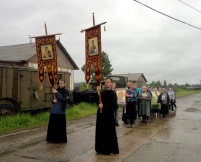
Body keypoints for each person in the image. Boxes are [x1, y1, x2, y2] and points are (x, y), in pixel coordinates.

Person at [95, 78, 119, 155]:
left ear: (111, 84)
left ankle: (110, 149)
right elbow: (97, 101)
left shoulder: (113, 93)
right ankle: (100, 148)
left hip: (109, 115)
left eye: (108, 82)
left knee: (109, 132)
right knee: (101, 131)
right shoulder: (101, 92)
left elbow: (114, 104)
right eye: (106, 82)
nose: (107, 83)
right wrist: (97, 92)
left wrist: (104, 106)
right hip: (101, 115)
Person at [46, 79, 69, 143]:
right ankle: (51, 139)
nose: (60, 84)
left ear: (64, 83)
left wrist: (57, 93)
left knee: (59, 126)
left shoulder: (66, 91)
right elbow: (52, 98)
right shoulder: (56, 89)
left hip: (60, 111)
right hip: (54, 110)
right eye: (59, 83)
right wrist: (53, 100)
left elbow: (64, 99)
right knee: (53, 125)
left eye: (62, 83)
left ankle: (60, 139)